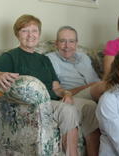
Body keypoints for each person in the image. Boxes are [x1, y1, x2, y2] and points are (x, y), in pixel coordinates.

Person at [0, 15, 95, 156]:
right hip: (38, 106)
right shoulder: (12, 56)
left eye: (34, 31)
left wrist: (67, 93)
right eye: (25, 31)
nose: (30, 35)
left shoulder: (44, 59)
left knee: (90, 107)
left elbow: (56, 88)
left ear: (39, 34)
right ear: (17, 34)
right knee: (68, 111)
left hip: (55, 100)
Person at [46, 25, 105, 156]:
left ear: (76, 43)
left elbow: (94, 80)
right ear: (56, 43)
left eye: (71, 41)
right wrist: (94, 86)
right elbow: (57, 90)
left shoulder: (83, 57)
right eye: (62, 41)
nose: (67, 46)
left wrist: (97, 85)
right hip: (70, 95)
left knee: (103, 94)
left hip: (90, 94)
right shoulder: (50, 59)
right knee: (103, 87)